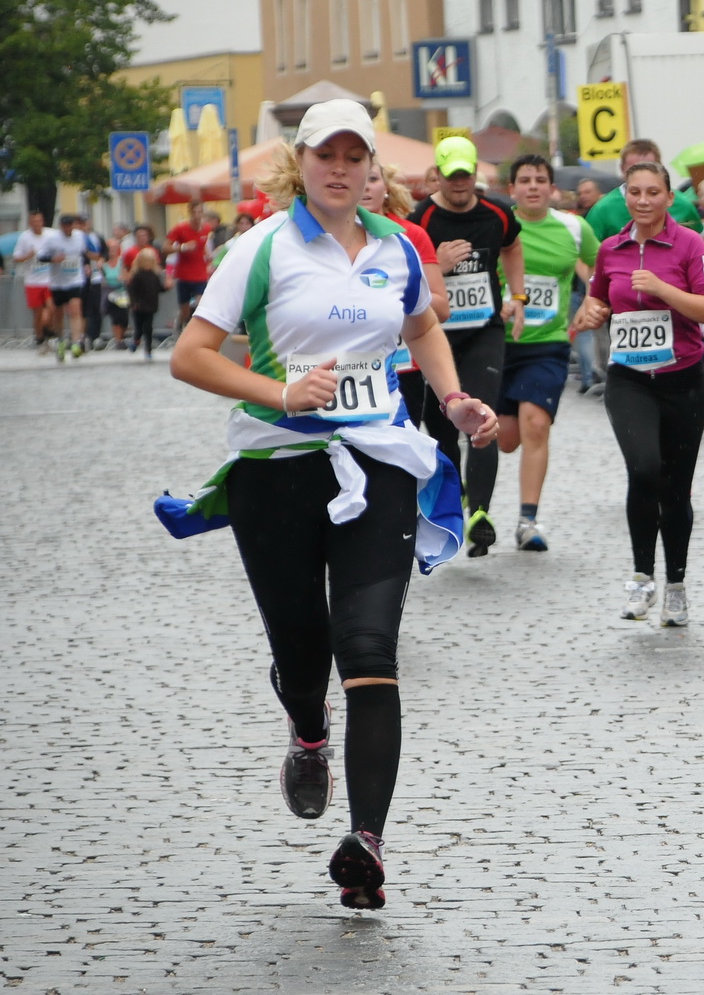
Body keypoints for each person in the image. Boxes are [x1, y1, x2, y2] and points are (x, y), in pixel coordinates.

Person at [164, 98, 495, 909]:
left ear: (372, 166)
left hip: (377, 460)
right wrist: (281, 389)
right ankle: (307, 731)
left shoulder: (396, 248)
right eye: (326, 155)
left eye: (355, 155)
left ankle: (367, 843)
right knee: (304, 651)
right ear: (302, 163)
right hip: (276, 469)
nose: (340, 168)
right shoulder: (262, 249)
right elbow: (191, 356)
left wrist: (450, 398)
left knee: (369, 645)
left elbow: (422, 330)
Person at [572, 159, 704, 627]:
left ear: (668, 197)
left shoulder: (690, 245)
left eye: (652, 192)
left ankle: (675, 586)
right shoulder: (612, 249)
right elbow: (597, 299)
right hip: (629, 379)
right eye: (634, 192)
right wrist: (592, 313)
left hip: (682, 377)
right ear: (624, 195)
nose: (642, 201)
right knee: (644, 468)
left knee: (676, 488)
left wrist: (662, 288)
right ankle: (641, 576)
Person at [410, 136, 526, 556]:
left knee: (482, 416)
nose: (459, 184)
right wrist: (434, 266)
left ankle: (480, 513)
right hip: (434, 336)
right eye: (451, 176)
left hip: (483, 331)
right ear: (437, 176)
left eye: (466, 175)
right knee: (441, 429)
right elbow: (405, 279)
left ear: (476, 174)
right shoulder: (420, 219)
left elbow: (513, 248)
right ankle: (457, 494)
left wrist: (518, 296)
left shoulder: (497, 212)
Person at [499, 153, 597, 551]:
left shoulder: (573, 229)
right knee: (505, 438)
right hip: (498, 343)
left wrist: (593, 299)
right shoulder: (499, 226)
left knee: (535, 423)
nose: (534, 186)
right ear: (512, 190)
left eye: (541, 179)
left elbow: (602, 267)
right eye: (525, 180)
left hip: (548, 343)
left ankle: (528, 520)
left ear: (553, 189)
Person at [363, 160, 449, 429]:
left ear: (386, 189)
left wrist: (389, 297)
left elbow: (440, 307)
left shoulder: (410, 235)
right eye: (360, 179)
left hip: (401, 365)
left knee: (400, 456)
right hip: (342, 366)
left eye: (373, 179)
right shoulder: (324, 237)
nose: (365, 187)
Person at [581, 139, 704, 240]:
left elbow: (699, 245)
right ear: (622, 169)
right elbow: (591, 257)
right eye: (634, 169)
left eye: (649, 168)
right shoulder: (602, 210)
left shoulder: (682, 204)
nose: (642, 175)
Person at [37, 213, 94, 360]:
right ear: (61, 226)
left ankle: (76, 342)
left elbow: (85, 252)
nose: (68, 228)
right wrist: (53, 259)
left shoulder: (80, 236)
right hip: (58, 281)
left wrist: (87, 264)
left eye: (70, 225)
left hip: (75, 279)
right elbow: (41, 256)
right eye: (65, 225)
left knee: (76, 309)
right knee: (58, 313)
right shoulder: (52, 239)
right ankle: (61, 340)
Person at [167, 208, 217, 334]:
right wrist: (183, 247)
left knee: (201, 304)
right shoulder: (180, 229)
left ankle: (197, 332)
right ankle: (180, 323)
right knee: (185, 309)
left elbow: (203, 246)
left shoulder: (206, 229)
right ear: (190, 213)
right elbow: (166, 248)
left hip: (200, 274)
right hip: (184, 275)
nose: (197, 215)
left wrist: (209, 257)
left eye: (200, 212)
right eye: (194, 212)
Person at [13, 210, 52, 349]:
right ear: (30, 223)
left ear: (43, 221)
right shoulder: (25, 237)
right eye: (34, 221)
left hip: (49, 279)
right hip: (33, 281)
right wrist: (28, 255)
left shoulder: (50, 234)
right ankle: (40, 336)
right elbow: (16, 258)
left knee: (51, 307)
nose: (37, 224)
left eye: (39, 221)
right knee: (38, 313)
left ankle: (47, 332)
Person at [126, 247, 167, 358]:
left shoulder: (154, 275)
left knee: (148, 327)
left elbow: (159, 289)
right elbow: (132, 290)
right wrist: (133, 302)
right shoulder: (137, 275)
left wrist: (167, 286)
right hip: (139, 306)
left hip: (151, 305)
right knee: (139, 328)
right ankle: (136, 340)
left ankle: (148, 349)